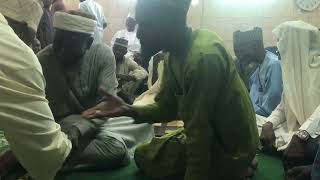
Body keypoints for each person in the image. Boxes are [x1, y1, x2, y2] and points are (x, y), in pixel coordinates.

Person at [82, 0, 259, 179]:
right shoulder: (172, 55)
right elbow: (167, 107)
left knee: (165, 166)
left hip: (230, 144)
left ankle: (237, 164)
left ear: (168, 22)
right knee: (143, 155)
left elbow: (200, 137)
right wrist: (129, 110)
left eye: (145, 25)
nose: (139, 33)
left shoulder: (203, 58)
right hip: (207, 132)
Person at [37, 10, 153, 170]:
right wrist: (74, 127)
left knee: (145, 122)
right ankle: (63, 155)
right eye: (58, 42)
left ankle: (59, 157)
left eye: (71, 45)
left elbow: (107, 104)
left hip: (100, 119)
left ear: (89, 43)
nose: (62, 51)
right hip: (64, 122)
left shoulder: (103, 54)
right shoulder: (41, 60)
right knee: (115, 150)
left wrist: (79, 129)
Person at [0, 0, 71, 179]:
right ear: (25, 30)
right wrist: (68, 138)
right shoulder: (20, 56)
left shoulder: (103, 55)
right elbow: (48, 156)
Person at [259, 21, 320, 179]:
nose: (278, 45)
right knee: (254, 122)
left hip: (313, 134)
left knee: (311, 149)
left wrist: (301, 136)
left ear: (295, 42)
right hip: (296, 129)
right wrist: (269, 124)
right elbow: (283, 107)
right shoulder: (292, 70)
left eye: (281, 39)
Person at [234, 27, 283, 117]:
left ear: (256, 46)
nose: (239, 57)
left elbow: (270, 108)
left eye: (242, 51)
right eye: (237, 52)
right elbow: (252, 100)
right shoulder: (259, 68)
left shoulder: (274, 65)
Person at [113, 38, 148, 104]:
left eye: (120, 50)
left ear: (125, 52)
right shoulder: (107, 57)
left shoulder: (127, 61)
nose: (117, 52)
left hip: (118, 91)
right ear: (112, 48)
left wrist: (131, 77)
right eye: (116, 49)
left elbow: (144, 72)